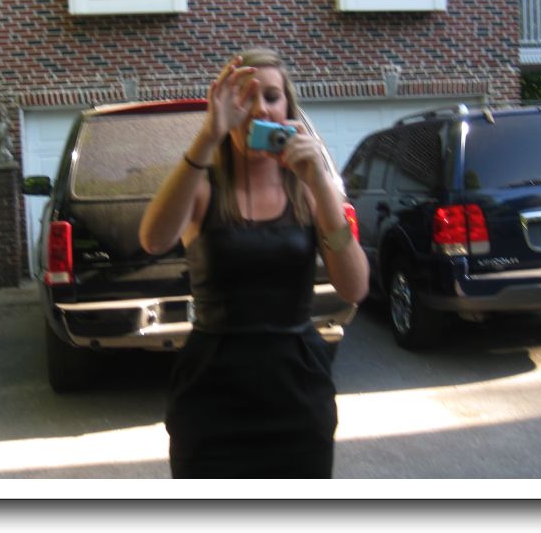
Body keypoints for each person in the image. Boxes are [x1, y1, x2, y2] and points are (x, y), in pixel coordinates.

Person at [139, 47, 369, 478]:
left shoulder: (308, 189)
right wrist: (208, 136)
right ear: (225, 107)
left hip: (297, 392)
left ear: (287, 109)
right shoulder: (202, 185)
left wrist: (321, 183)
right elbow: (153, 240)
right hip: (211, 396)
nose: (260, 108)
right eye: (245, 97)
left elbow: (354, 287)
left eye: (272, 96)